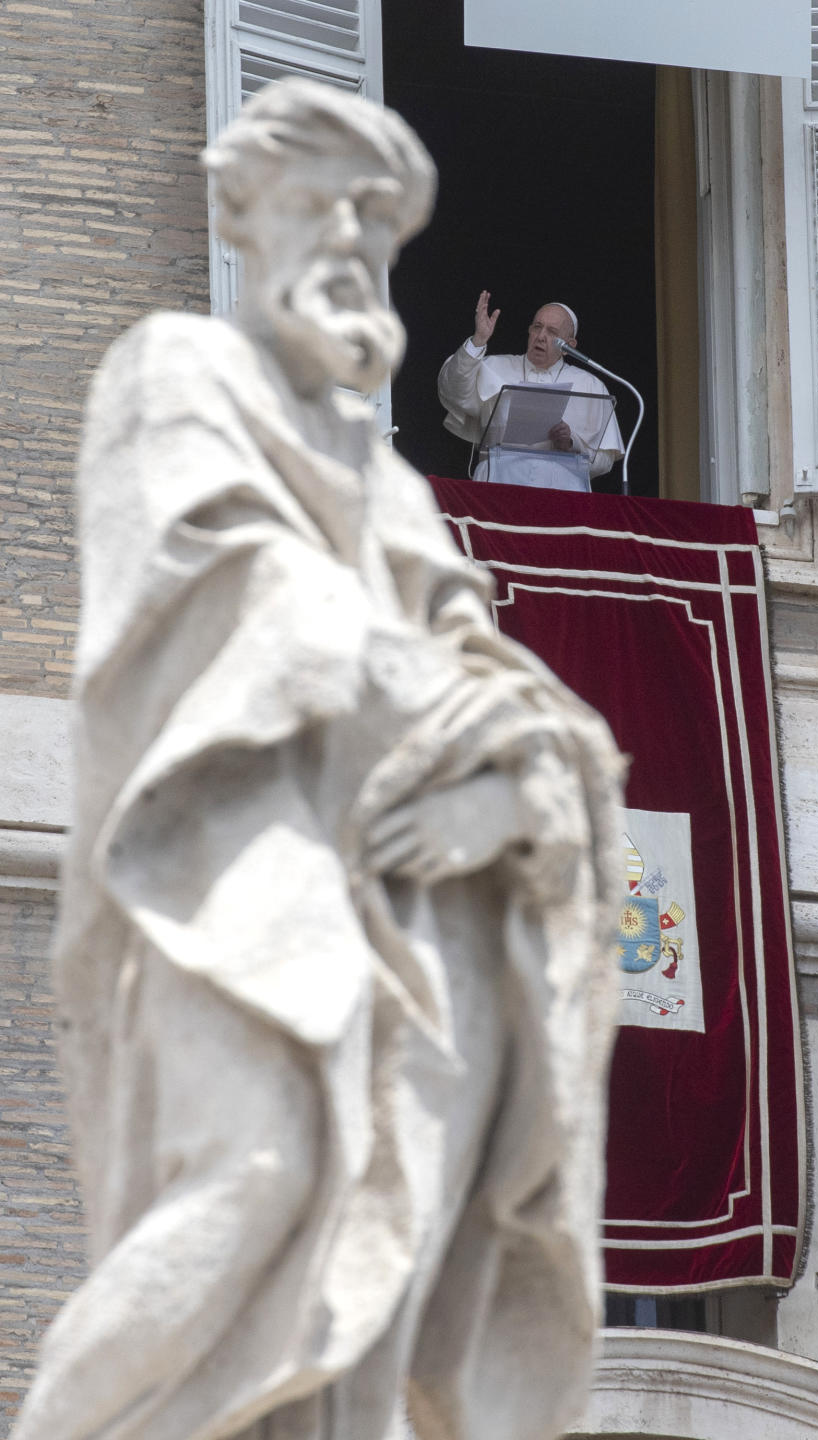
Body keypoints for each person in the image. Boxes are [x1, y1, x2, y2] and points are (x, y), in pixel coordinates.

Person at [12, 80, 623, 1440]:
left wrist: (501, 795)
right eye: (326, 202)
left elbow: (506, 691)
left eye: (379, 220)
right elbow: (236, 589)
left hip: (409, 912)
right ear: (246, 214)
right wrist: (440, 714)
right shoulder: (176, 374)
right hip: (233, 874)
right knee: (261, 1178)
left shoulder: (388, 475)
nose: (353, 239)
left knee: (374, 1264)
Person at [438, 293, 624, 490]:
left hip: (561, 493)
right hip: (498, 486)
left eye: (552, 331)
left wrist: (571, 443)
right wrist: (478, 341)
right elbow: (452, 390)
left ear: (569, 346)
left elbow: (605, 461)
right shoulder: (494, 366)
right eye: (537, 327)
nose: (541, 336)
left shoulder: (590, 385)